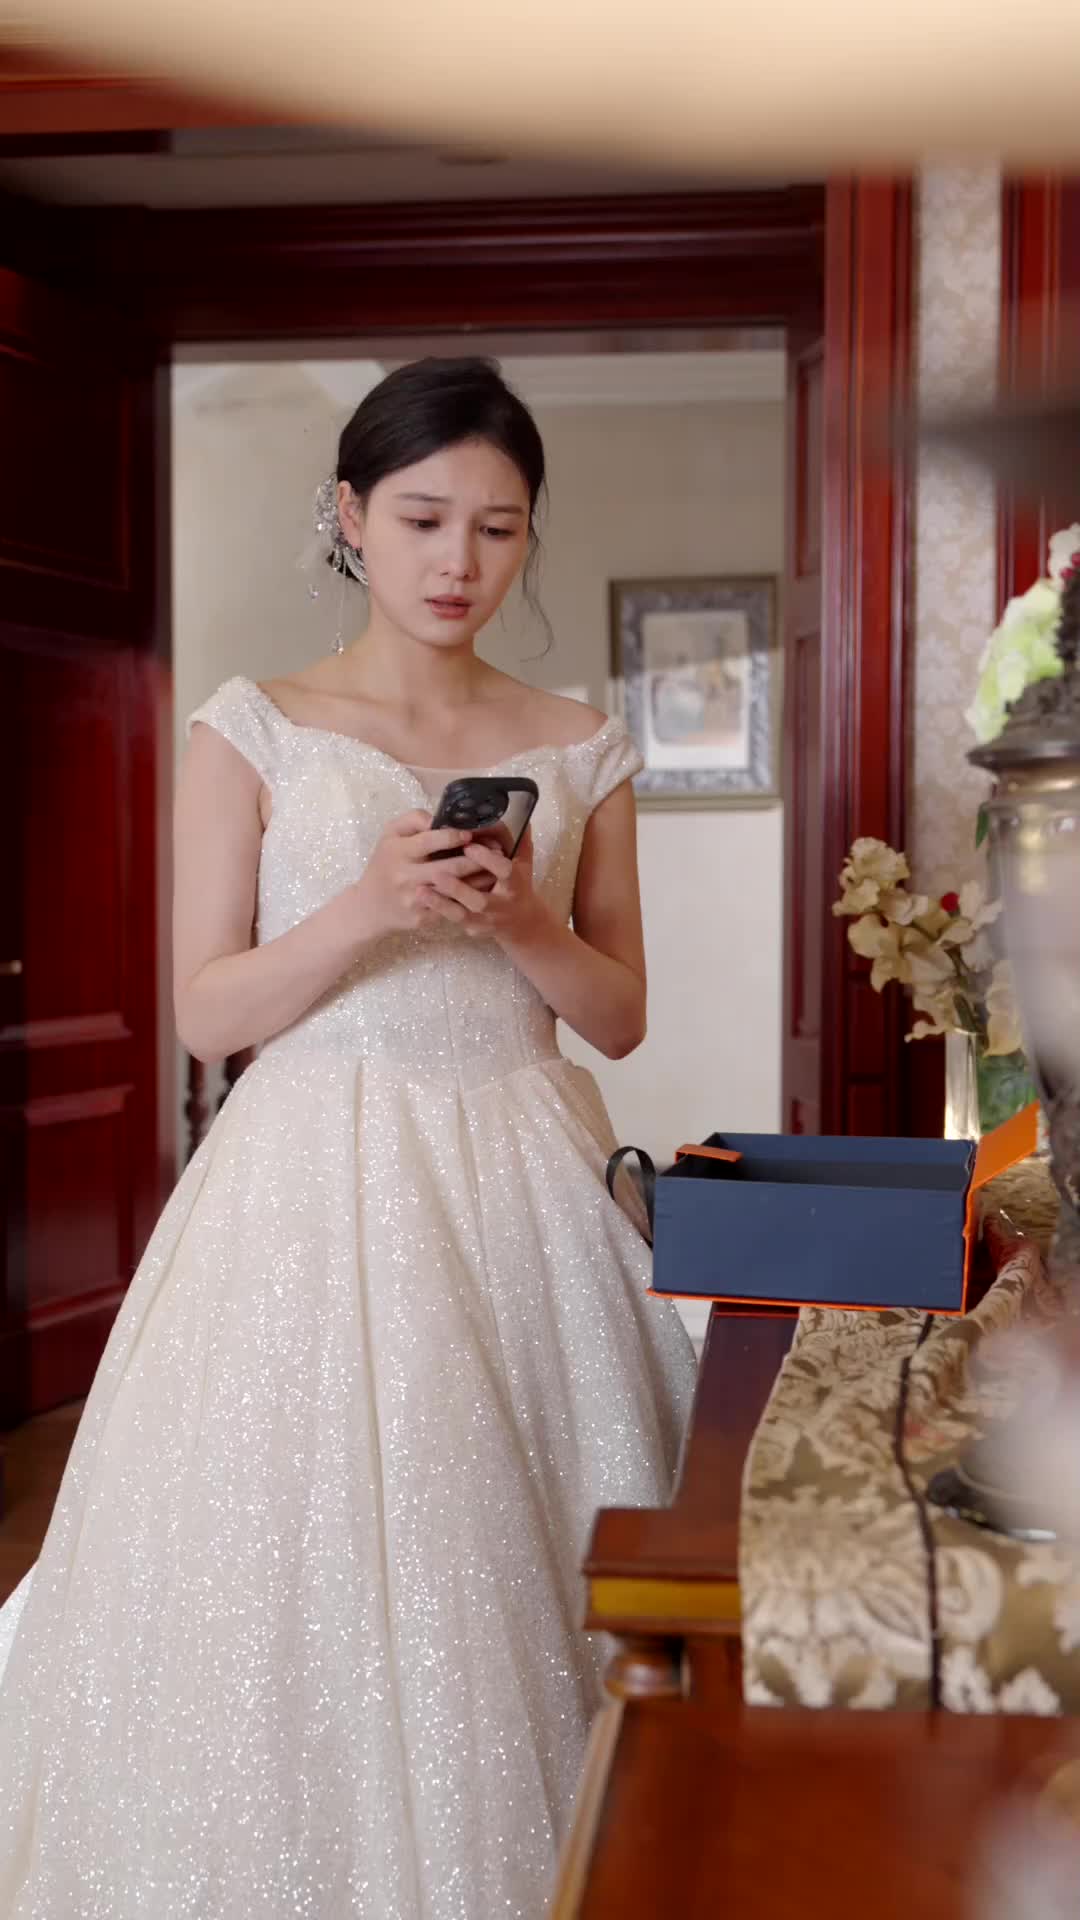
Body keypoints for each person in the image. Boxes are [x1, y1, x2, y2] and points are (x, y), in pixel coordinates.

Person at [0, 356, 696, 1918]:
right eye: (424, 518)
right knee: (282, 1565)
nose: (460, 561)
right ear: (350, 516)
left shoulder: (582, 742)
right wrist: (371, 906)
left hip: (526, 1178)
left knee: (522, 1554)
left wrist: (519, 922)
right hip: (304, 1181)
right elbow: (207, 1011)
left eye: (499, 527)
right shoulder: (254, 728)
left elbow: (621, 1016)